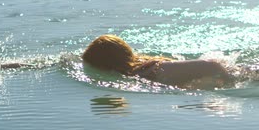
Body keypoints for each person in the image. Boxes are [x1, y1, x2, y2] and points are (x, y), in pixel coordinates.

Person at [82, 34, 234, 89]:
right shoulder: (137, 70)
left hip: (239, 74)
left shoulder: (152, 71)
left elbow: (212, 66)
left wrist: (231, 84)